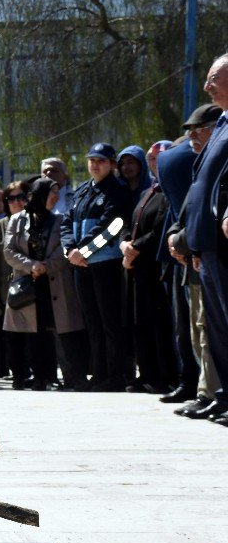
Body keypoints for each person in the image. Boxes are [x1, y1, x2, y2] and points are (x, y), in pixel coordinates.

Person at [60, 142, 134, 392]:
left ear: (112, 165)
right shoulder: (81, 191)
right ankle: (98, 373)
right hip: (80, 265)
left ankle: (115, 375)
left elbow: (111, 227)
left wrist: (84, 251)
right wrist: (70, 250)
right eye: (92, 159)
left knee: (110, 322)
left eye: (101, 161)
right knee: (92, 322)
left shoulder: (117, 191)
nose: (95, 164)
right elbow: (66, 223)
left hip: (105, 265)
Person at [163, 104, 221, 416]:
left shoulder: (215, 162)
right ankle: (207, 393)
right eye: (190, 131)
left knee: (210, 330)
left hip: (208, 256)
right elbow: (185, 212)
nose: (192, 137)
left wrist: (184, 242)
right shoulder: (201, 164)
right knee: (198, 330)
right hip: (193, 257)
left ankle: (213, 393)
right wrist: (176, 238)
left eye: (199, 130)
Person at [4, 178, 87, 391]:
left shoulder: (59, 221)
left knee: (57, 329)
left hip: (54, 284)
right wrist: (31, 265)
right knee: (34, 332)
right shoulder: (17, 220)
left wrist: (47, 266)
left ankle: (61, 376)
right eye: (53, 193)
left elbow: (64, 249)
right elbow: (9, 250)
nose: (57, 197)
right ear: (40, 195)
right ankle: (39, 377)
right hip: (28, 282)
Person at [181, 54, 228, 424]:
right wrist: (193, 243)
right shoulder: (222, 123)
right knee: (216, 328)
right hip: (207, 244)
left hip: (223, 241)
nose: (207, 85)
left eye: (214, 78)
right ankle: (224, 395)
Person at [121, 141, 176, 394]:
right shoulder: (148, 191)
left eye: (159, 159)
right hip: (137, 268)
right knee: (139, 322)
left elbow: (161, 227)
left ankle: (165, 376)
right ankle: (147, 373)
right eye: (152, 159)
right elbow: (131, 224)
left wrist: (136, 248)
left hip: (155, 266)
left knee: (159, 323)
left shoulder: (170, 190)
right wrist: (124, 245)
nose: (155, 163)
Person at [0, 181, 29, 387]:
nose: (17, 202)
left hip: (32, 286)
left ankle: (36, 373)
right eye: (12, 199)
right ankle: (18, 375)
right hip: (7, 289)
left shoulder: (34, 221)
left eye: (22, 197)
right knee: (11, 335)